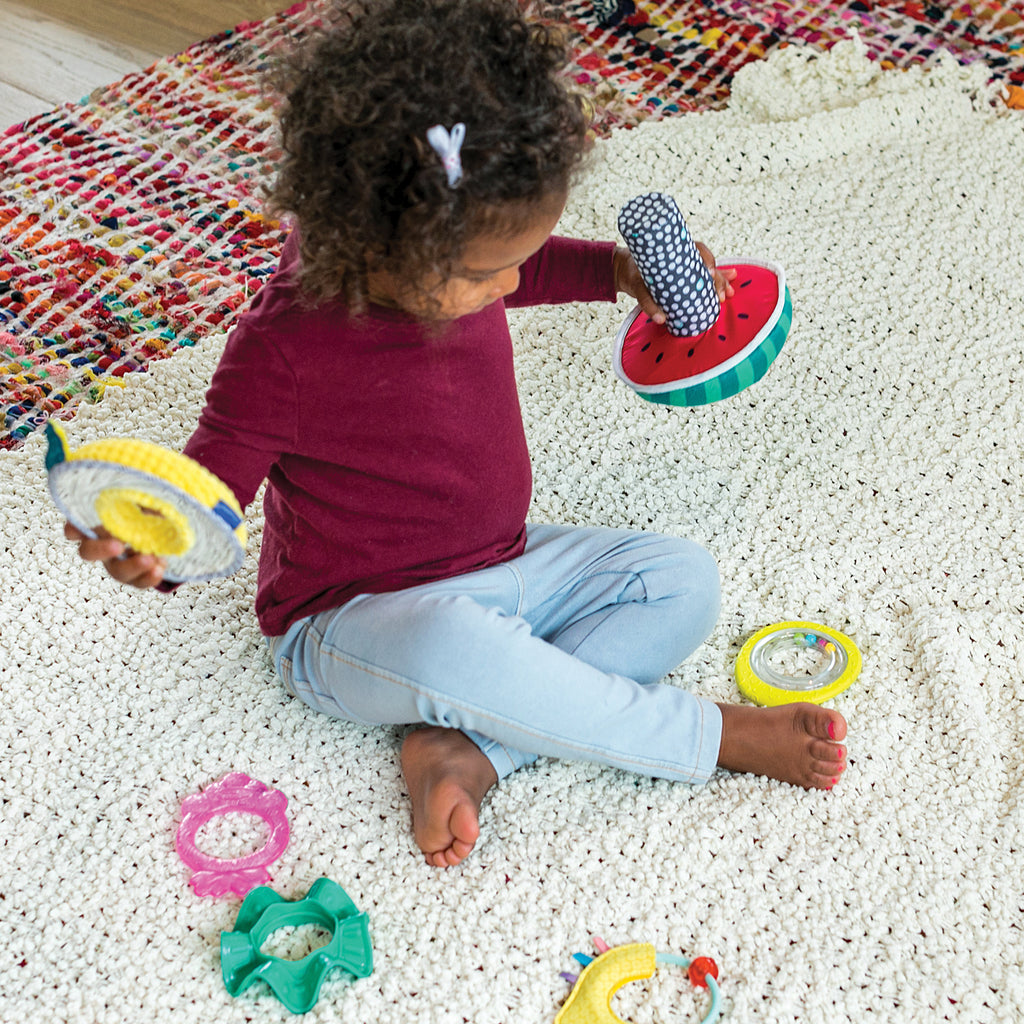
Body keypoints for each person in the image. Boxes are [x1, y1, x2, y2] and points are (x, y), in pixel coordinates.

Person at [65, 0, 847, 868]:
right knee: (452, 646)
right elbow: (206, 489)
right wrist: (156, 546)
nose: (512, 280)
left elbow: (524, 259)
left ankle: (471, 751)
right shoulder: (283, 349)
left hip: (503, 561)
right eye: (487, 272)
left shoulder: (448, 246)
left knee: (681, 582)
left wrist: (619, 272)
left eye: (518, 255)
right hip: (351, 622)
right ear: (374, 245)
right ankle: (703, 736)